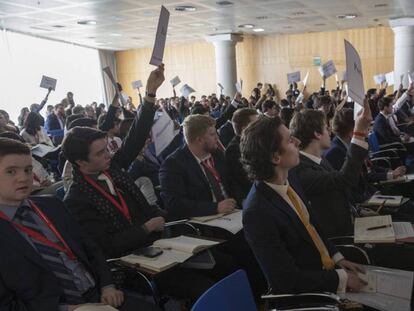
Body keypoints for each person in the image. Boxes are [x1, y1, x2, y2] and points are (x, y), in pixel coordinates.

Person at [62, 65, 214, 303]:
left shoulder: (110, 168)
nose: (109, 155)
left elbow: (135, 137)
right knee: (204, 287)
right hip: (131, 265)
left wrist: (151, 93)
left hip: (157, 247)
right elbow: (106, 247)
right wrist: (145, 228)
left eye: (107, 150)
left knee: (221, 262)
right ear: (81, 162)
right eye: (101, 153)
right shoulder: (76, 200)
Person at [0, 138, 157, 310]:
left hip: (98, 294)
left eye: (28, 170)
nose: (23, 178)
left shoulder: (51, 205)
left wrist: (107, 285)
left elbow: (91, 247)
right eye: (11, 172)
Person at [240, 112, 369, 294]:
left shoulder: (290, 176)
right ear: (275, 157)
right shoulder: (257, 213)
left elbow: (312, 226)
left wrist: (337, 257)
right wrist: (341, 279)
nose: (298, 143)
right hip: (314, 294)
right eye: (290, 141)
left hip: (328, 271)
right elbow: (287, 281)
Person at [225, 108, 258, 205]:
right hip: (249, 198)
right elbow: (246, 180)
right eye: (256, 124)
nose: (260, 127)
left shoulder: (255, 142)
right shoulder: (234, 149)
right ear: (244, 129)